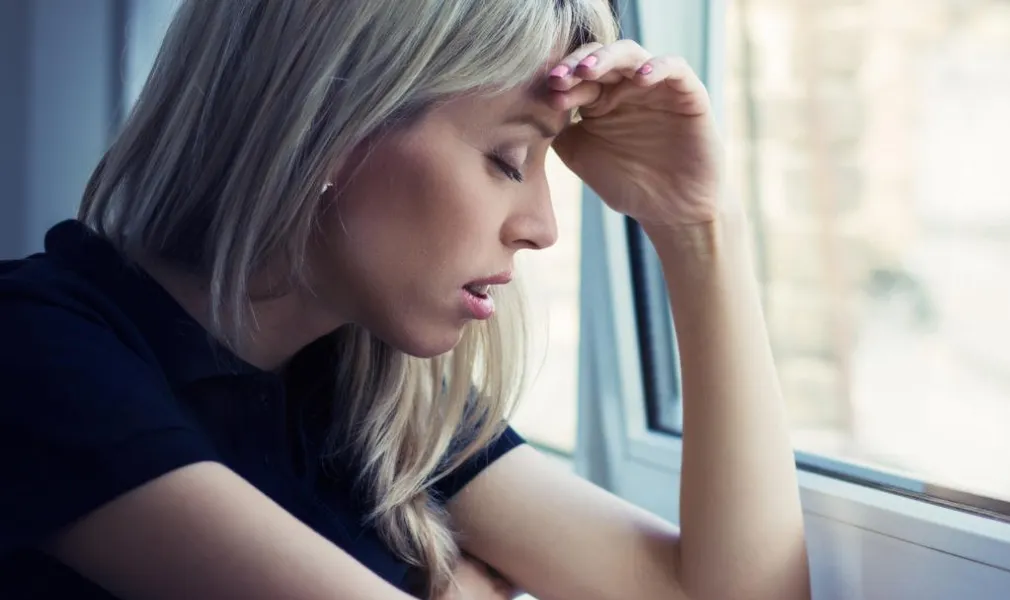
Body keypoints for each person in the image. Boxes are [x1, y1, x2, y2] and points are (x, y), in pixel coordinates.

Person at [0, 1, 809, 599]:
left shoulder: (368, 395)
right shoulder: (33, 353)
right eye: (507, 158)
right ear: (330, 125)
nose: (541, 228)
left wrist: (698, 224)